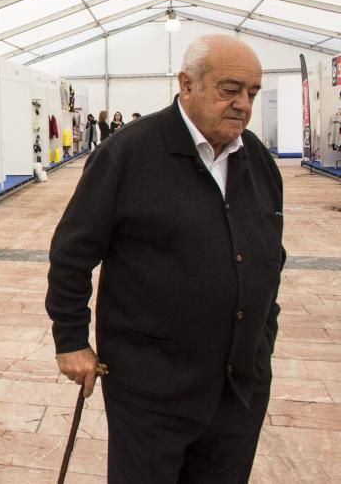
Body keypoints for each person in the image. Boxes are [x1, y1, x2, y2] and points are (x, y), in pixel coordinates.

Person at [46, 34, 283, 483]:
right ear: (187, 84)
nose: (243, 104)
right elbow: (72, 254)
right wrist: (71, 338)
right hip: (151, 392)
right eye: (229, 89)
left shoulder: (257, 159)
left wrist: (264, 334)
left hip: (237, 390)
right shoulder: (128, 153)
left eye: (251, 92)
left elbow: (271, 256)